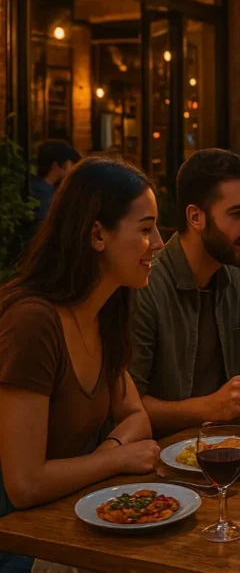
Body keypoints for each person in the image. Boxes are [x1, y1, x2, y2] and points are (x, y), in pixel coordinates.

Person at [0, 158, 163, 571]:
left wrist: (110, 450)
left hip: (76, 518)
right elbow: (24, 484)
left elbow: (136, 417)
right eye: (145, 229)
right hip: (21, 540)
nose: (159, 242)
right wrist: (117, 458)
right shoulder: (33, 322)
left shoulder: (105, 311)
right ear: (97, 235)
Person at [129, 149, 240, 436]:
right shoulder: (146, 285)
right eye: (238, 213)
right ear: (195, 217)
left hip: (229, 445)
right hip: (159, 459)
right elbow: (129, 406)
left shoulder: (236, 278)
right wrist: (210, 408)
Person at [28, 140, 80, 224]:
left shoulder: (37, 187)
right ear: (55, 165)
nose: (72, 171)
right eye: (70, 166)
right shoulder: (44, 193)